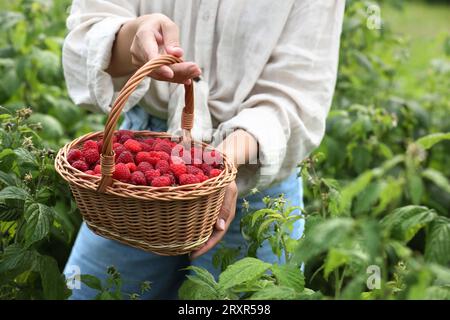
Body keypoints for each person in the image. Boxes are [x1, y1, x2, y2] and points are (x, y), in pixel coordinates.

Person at [62, 0, 345, 299]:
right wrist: (134, 34)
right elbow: (90, 27)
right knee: (84, 293)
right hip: (136, 176)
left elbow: (296, 92)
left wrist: (220, 167)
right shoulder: (137, 163)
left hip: (254, 168)